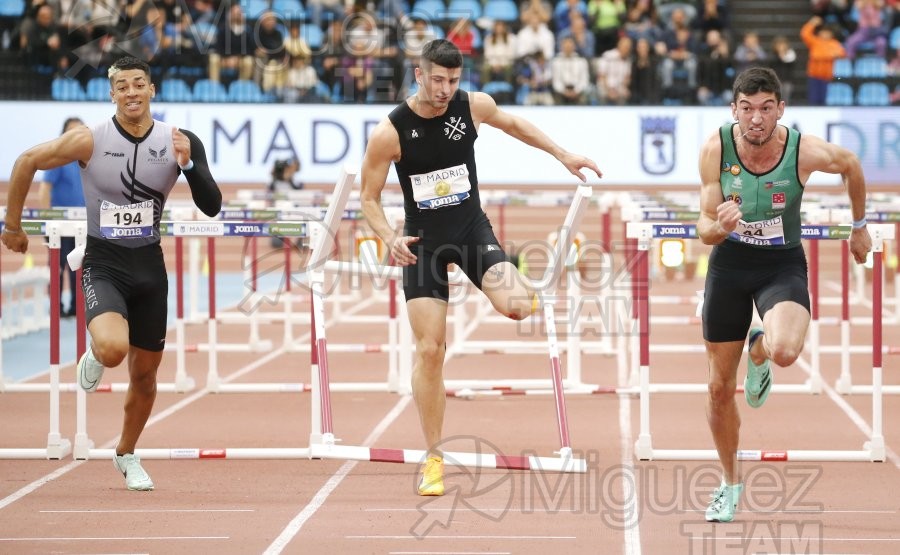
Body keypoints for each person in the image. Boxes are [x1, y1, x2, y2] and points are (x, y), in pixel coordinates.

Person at [359, 39, 601, 497]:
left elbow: (516, 126)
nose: (446, 88)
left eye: (453, 80)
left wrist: (563, 154)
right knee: (430, 351)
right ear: (418, 74)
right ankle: (434, 458)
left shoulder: (472, 106)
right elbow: (367, 198)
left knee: (518, 309)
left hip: (471, 230)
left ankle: (515, 275)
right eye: (437, 80)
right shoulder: (390, 132)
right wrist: (389, 236)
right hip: (423, 244)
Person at [1, 56, 222, 491]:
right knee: (113, 348)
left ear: (152, 89)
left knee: (145, 377)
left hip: (149, 267)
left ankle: (126, 453)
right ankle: (96, 354)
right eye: (123, 86)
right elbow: (27, 160)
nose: (132, 93)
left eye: (139, 84)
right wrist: (12, 226)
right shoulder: (89, 140)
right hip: (103, 261)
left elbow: (212, 205)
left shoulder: (179, 139)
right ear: (112, 94)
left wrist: (189, 165)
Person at [697, 66, 871, 522]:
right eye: (747, 109)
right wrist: (719, 225)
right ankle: (730, 483)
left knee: (789, 352)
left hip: (781, 264)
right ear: (734, 109)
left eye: (766, 108)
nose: (756, 118)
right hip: (730, 266)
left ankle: (763, 348)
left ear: (780, 109)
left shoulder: (801, 150)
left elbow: (851, 164)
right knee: (718, 389)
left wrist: (858, 227)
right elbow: (702, 228)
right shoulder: (716, 148)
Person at [39, 117, 86, 318]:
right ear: (63, 135)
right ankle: (56, 306)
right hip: (59, 225)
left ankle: (77, 306)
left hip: (83, 225)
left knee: (80, 268)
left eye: (80, 131)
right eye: (71, 132)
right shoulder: (57, 159)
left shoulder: (87, 159)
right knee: (57, 267)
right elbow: (44, 190)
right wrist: (46, 222)